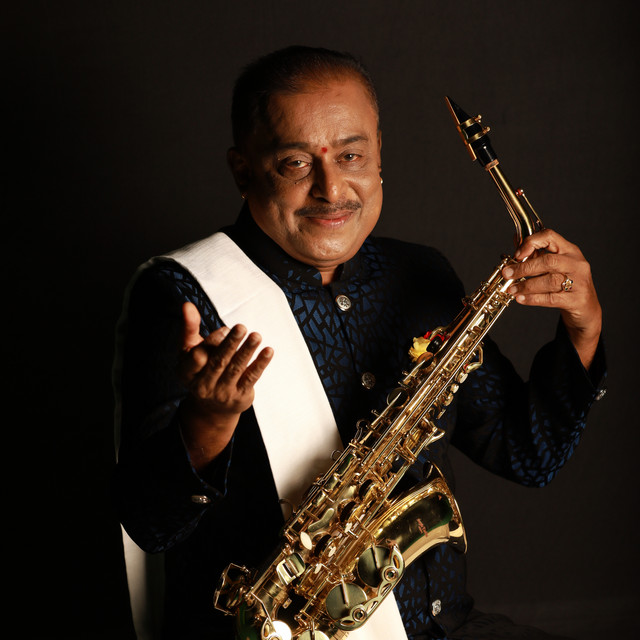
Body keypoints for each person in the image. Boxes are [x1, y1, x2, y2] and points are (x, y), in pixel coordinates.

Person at [113, 46, 606, 640]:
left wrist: (583, 331)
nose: (331, 188)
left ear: (378, 157)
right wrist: (209, 424)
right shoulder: (186, 294)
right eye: (295, 163)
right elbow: (149, 525)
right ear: (243, 171)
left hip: (446, 627)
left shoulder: (419, 274)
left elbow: (528, 454)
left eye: (351, 155)